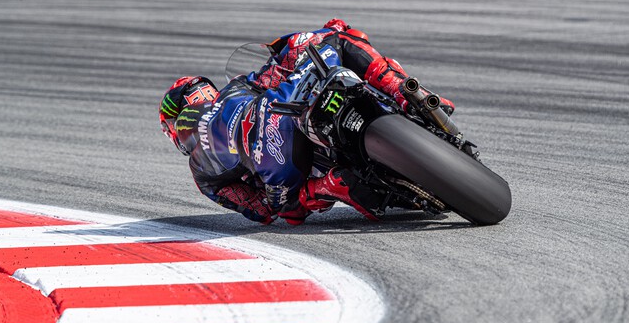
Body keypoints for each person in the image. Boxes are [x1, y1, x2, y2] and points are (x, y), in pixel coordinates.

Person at [159, 19, 455, 225]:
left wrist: (270, 184)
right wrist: (325, 33)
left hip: (280, 168)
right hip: (282, 116)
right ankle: (405, 91)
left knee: (288, 210)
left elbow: (261, 211)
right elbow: (281, 66)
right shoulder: (239, 86)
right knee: (338, 38)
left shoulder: (203, 173)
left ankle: (330, 186)